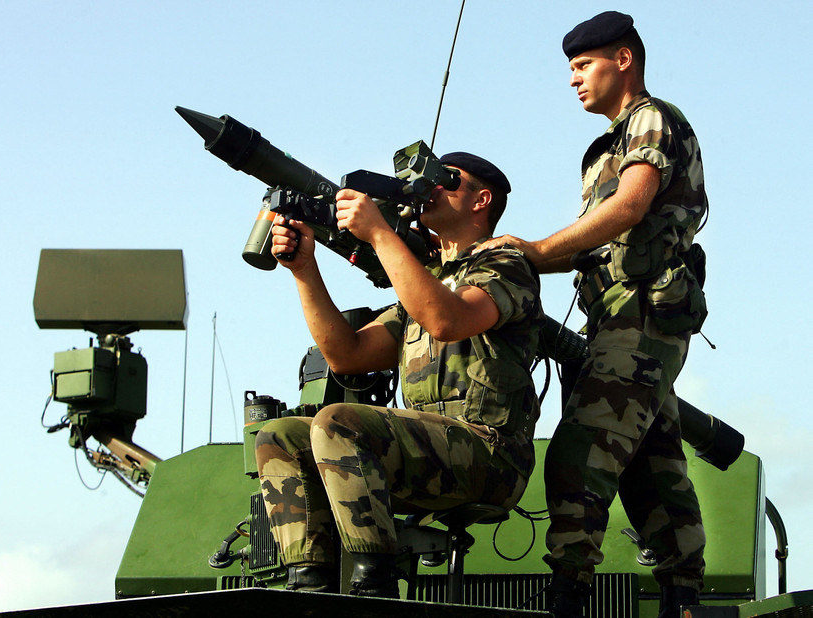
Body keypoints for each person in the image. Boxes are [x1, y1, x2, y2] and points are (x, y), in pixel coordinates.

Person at [476, 11, 708, 618]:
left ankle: (568, 593)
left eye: (583, 66)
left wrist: (538, 250)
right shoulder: (609, 144)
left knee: (581, 450)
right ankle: (682, 594)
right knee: (649, 459)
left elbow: (629, 208)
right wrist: (510, 255)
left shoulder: (650, 121)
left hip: (644, 313)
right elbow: (596, 244)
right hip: (618, 315)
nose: (573, 80)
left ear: (623, 60)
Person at [254, 152, 544, 598]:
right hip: (432, 452)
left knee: (340, 422)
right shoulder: (425, 285)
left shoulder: (506, 267)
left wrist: (379, 233)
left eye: (449, 181)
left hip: (492, 454)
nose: (431, 189)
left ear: (480, 200)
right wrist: (304, 269)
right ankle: (307, 585)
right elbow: (346, 355)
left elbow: (448, 320)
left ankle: (375, 587)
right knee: (280, 436)